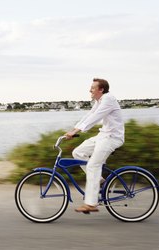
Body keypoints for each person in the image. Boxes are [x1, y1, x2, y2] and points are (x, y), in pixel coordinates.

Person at [65, 78, 124, 213]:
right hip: (103, 136)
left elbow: (95, 117)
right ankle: (101, 181)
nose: (90, 90)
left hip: (112, 138)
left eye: (92, 88)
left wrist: (76, 131)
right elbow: (89, 114)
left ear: (101, 89)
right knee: (78, 152)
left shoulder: (108, 99)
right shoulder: (100, 100)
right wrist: (73, 130)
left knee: (92, 165)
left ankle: (91, 204)